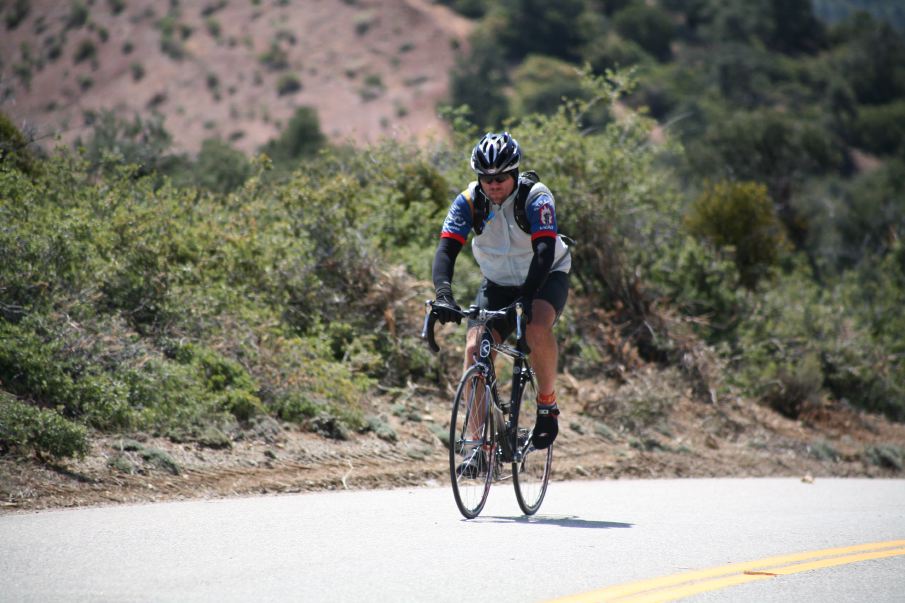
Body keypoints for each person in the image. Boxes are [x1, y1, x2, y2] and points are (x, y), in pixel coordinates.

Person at [431, 131, 572, 451]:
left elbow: (544, 251)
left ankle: (547, 405)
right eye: (486, 178)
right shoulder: (468, 201)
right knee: (473, 348)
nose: (493, 185)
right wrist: (443, 293)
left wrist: (527, 296)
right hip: (497, 282)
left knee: (536, 327)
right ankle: (478, 444)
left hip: (546, 274)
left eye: (501, 177)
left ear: (514, 173)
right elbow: (446, 250)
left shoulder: (536, 197)